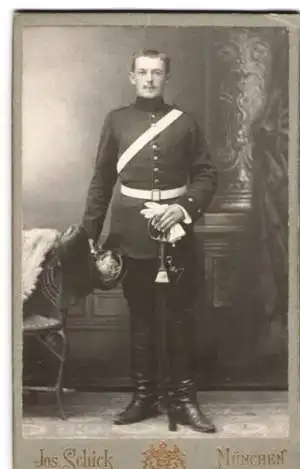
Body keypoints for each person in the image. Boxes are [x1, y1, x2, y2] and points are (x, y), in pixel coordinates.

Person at [82, 49, 218, 433]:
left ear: (165, 78)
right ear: (131, 76)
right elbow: (101, 182)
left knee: (178, 319)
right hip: (131, 235)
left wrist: (183, 208)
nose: (149, 79)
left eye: (156, 73)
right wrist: (89, 235)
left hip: (177, 234)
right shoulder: (117, 121)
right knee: (141, 319)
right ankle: (144, 397)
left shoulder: (185, 123)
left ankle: (185, 401)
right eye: (142, 72)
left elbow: (207, 175)